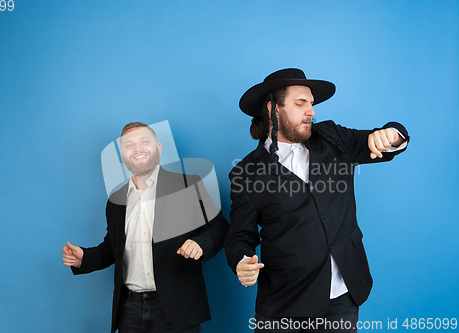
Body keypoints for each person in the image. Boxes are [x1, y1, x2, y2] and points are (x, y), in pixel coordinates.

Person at [224, 68, 409, 332]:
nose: (311, 111)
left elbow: (383, 139)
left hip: (343, 296)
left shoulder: (333, 137)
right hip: (284, 304)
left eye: (311, 104)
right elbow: (239, 236)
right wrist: (242, 260)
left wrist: (391, 134)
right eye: (301, 104)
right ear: (273, 109)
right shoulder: (245, 172)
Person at [62, 122, 228, 333]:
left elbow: (220, 226)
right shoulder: (115, 200)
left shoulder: (188, 185)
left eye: (144, 141)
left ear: (158, 148)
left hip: (177, 308)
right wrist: (84, 258)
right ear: (122, 155)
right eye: (129, 144)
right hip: (129, 310)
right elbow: (112, 248)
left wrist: (200, 243)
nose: (137, 148)